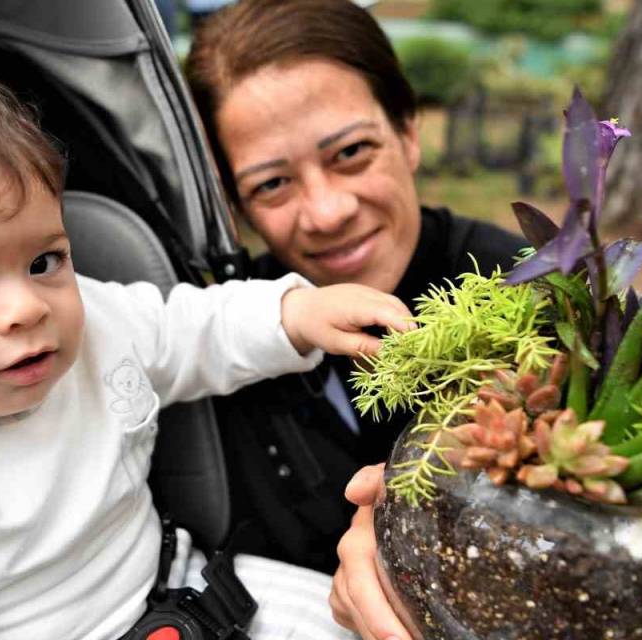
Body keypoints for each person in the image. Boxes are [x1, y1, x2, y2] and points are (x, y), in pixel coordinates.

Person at [0, 67, 416, 639]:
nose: (26, 307)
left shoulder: (90, 324)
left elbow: (189, 328)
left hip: (191, 594)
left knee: (377, 619)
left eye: (43, 260)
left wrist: (294, 314)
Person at [184, 1, 527, 637]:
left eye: (350, 152)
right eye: (272, 185)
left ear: (409, 130)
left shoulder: (534, 292)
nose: (326, 211)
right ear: (238, 205)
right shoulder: (216, 337)